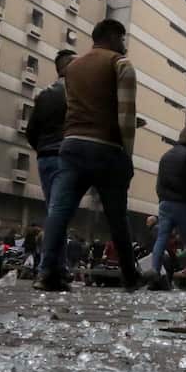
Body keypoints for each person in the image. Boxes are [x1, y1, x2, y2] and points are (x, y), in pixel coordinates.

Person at [37, 20, 140, 292]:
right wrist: (127, 156)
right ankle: (131, 277)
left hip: (70, 146)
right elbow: (126, 116)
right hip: (106, 148)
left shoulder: (72, 68)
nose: (124, 43)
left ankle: (46, 273)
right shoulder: (121, 64)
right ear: (111, 37)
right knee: (117, 216)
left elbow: (72, 108)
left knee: (59, 211)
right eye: (122, 37)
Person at [152, 125, 186, 288]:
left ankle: (154, 272)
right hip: (185, 205)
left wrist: (162, 200)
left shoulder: (165, 156)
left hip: (165, 204)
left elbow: (158, 182)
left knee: (161, 239)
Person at [26, 49, 77, 205]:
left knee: (53, 206)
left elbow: (31, 131)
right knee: (61, 208)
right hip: (65, 157)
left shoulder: (43, 95)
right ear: (68, 66)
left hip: (45, 158)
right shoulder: (76, 93)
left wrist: (42, 148)